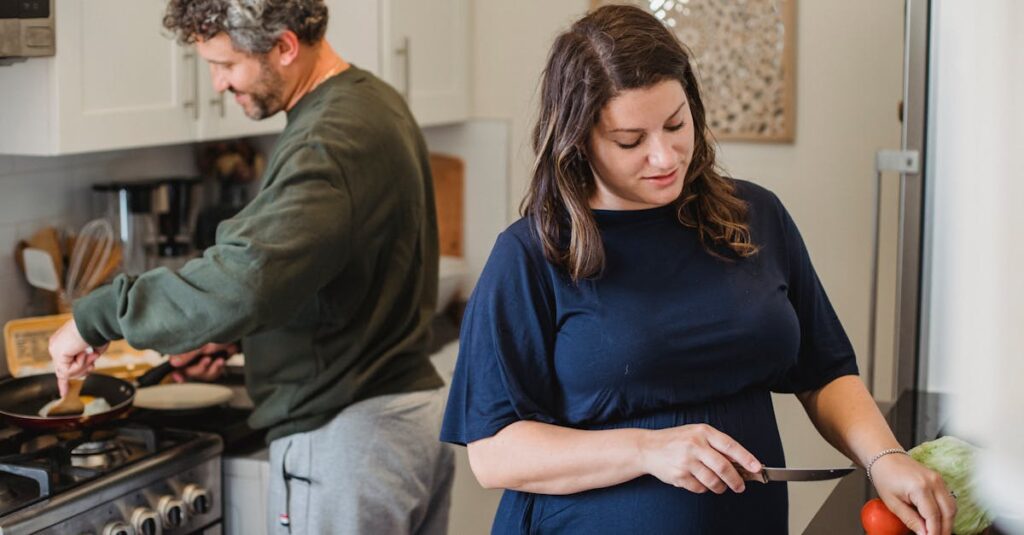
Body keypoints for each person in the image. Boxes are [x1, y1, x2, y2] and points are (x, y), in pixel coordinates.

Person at [440, 5, 955, 534]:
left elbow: (823, 372)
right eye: (630, 141)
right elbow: (494, 454)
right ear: (579, 142)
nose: (664, 157)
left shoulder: (755, 217)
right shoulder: (532, 254)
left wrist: (884, 458)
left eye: (675, 124)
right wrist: (646, 450)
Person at [47, 1, 453, 533]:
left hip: (347, 440)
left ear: (284, 46)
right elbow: (325, 275)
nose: (217, 84)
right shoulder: (369, 101)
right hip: (399, 425)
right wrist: (235, 340)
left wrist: (94, 315)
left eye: (227, 64)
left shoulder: (327, 140)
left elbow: (246, 278)